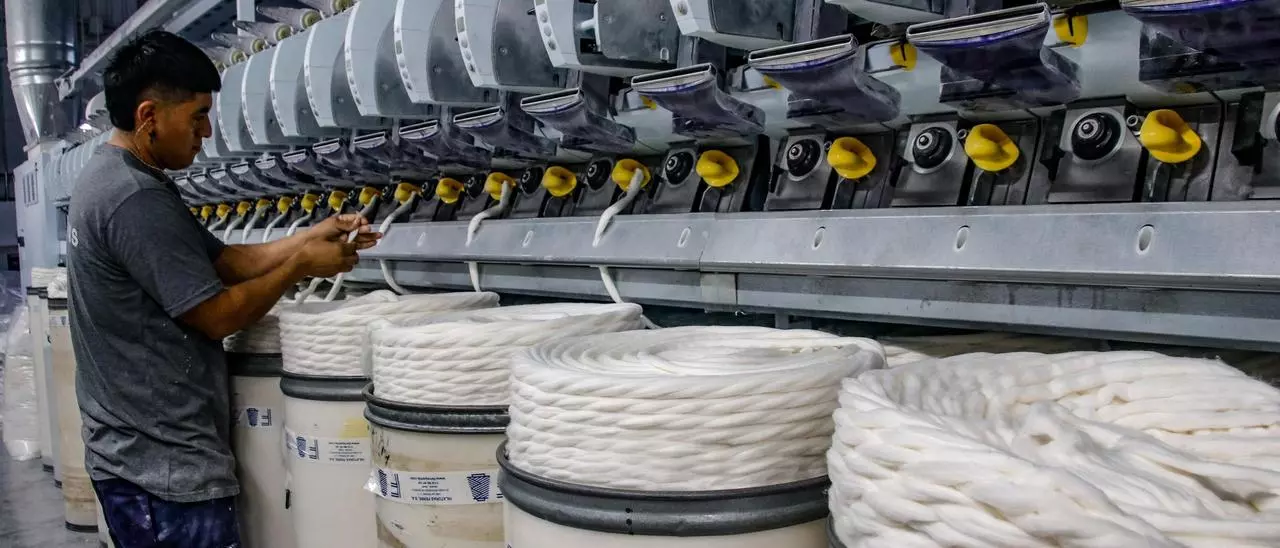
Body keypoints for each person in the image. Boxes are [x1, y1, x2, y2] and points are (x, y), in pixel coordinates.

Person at [66, 30, 379, 547]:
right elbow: (216, 315)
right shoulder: (133, 198)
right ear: (148, 116)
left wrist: (309, 236)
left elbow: (227, 261)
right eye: (196, 117)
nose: (206, 132)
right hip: (162, 469)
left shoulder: (119, 177)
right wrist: (301, 265)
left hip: (139, 455)